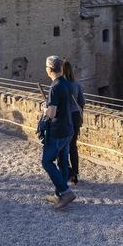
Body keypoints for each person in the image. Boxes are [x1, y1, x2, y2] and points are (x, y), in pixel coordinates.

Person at [40, 55, 76, 209]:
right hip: (68, 129)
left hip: (58, 131)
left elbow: (52, 113)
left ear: (49, 69)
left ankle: (65, 191)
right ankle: (58, 195)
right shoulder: (67, 84)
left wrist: (44, 109)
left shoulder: (54, 87)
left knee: (47, 162)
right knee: (62, 162)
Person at [61, 61, 85, 185]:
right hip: (75, 116)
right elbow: (82, 102)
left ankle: (68, 172)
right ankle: (74, 173)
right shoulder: (76, 84)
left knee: (62, 146)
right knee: (73, 146)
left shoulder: (60, 84)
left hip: (65, 117)